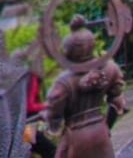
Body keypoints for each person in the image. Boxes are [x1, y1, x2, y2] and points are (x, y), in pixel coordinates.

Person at [42, 16, 128, 158]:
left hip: (75, 137)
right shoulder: (110, 68)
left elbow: (54, 118)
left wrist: (52, 126)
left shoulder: (63, 82)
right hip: (100, 132)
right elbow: (118, 102)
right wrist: (107, 125)